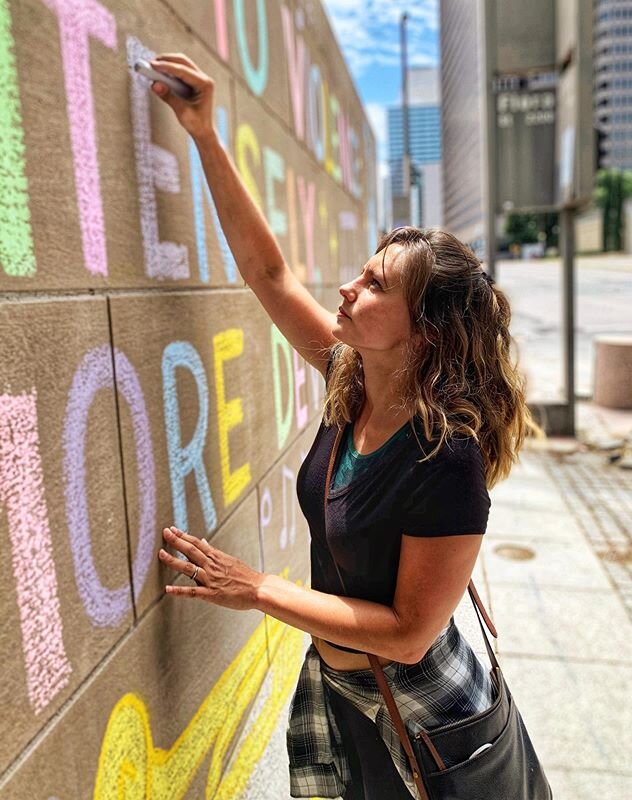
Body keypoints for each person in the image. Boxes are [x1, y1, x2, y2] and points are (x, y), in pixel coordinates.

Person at [151, 55, 540, 800]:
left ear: (423, 331)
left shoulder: (446, 457)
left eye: (374, 286)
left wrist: (256, 588)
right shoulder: (349, 379)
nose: (346, 286)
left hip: (420, 707)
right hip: (335, 683)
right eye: (361, 273)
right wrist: (204, 132)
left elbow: (406, 631)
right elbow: (269, 276)